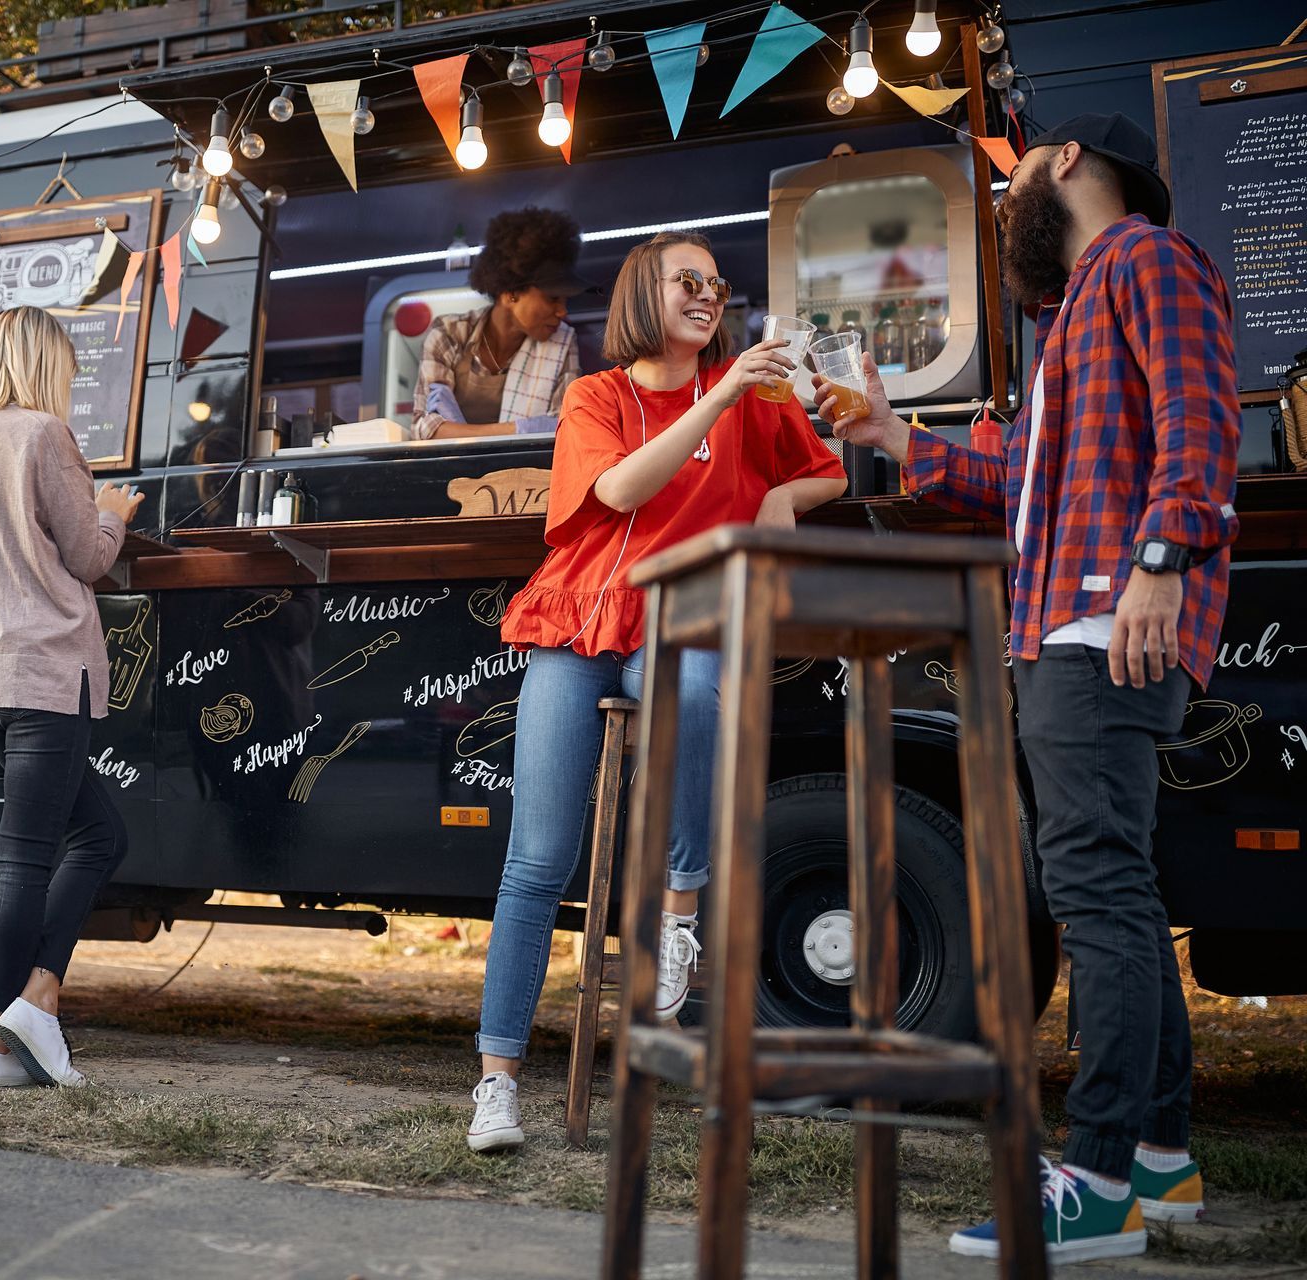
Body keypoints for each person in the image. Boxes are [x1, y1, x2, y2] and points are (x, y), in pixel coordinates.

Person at [818, 113, 1238, 1264]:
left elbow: (1203, 425)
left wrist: (1160, 563)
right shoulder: (1083, 308)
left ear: (1063, 162)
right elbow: (1024, 473)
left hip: (1103, 616)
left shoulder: (1147, 258)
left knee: (1094, 889)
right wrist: (899, 437)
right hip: (1082, 614)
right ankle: (1160, 1159)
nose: (1009, 206)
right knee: (1121, 888)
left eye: (1016, 176)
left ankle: (1097, 1176)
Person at [466, 231, 848, 1153]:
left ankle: (680, 916)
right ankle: (497, 1083)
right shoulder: (599, 394)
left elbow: (828, 467)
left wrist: (784, 499)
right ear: (646, 290)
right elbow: (624, 487)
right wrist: (718, 391)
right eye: (690, 280)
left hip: (681, 616)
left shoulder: (758, 399)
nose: (709, 294)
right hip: (581, 617)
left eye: (717, 283)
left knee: (698, 687)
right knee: (537, 859)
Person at [0, 305, 145, 1088]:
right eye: (65, 364)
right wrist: (116, 515)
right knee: (28, 861)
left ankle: (36, 1000)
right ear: (43, 362)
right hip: (46, 675)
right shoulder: (44, 435)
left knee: (98, 838)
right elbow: (88, 557)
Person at [410, 207, 585, 440]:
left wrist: (459, 433)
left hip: (527, 475)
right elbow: (425, 427)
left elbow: (564, 426)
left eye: (565, 300)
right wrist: (525, 429)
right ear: (511, 293)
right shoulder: (450, 333)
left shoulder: (563, 342)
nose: (562, 311)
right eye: (552, 298)